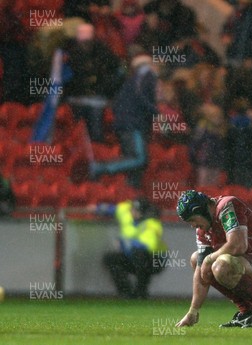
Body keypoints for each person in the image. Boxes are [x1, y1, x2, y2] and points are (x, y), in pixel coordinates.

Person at [174, 190, 252, 328]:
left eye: (192, 220)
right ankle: (247, 312)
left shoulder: (227, 205)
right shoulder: (203, 229)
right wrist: (193, 311)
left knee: (221, 265)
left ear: (200, 209)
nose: (193, 225)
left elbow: (238, 245)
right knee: (197, 259)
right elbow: (201, 270)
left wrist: (209, 259)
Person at [89, 53, 158, 187]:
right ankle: (101, 168)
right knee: (139, 159)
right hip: (134, 126)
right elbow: (143, 99)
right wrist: (157, 114)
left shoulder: (129, 82)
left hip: (126, 125)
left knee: (135, 166)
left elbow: (117, 105)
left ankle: (131, 191)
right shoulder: (145, 77)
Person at [63, 23, 122, 142]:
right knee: (80, 133)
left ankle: (96, 153)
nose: (86, 44)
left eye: (88, 41)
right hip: (77, 98)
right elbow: (66, 79)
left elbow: (116, 71)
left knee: (96, 133)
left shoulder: (103, 52)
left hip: (96, 98)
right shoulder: (69, 55)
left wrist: (105, 89)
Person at [101, 198, 167, 299]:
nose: (132, 211)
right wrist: (99, 208)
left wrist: (124, 243)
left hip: (155, 260)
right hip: (133, 256)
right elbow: (117, 209)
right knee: (110, 259)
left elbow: (146, 246)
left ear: (142, 212)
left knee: (140, 255)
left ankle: (141, 292)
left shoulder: (152, 223)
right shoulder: (127, 214)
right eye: (132, 209)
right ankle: (126, 292)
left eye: (136, 210)